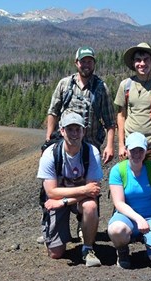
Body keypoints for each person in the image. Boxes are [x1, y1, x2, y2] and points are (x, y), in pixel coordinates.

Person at [37, 112, 104, 266]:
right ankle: (49, 230)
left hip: (63, 200)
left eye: (77, 129)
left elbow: (93, 191)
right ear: (62, 131)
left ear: (83, 131)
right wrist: (83, 191)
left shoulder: (91, 152)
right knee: (56, 253)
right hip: (56, 199)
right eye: (70, 129)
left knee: (91, 206)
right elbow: (51, 192)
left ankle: (87, 248)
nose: (74, 134)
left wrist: (64, 201)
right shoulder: (50, 154)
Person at [107, 131, 151, 269]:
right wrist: (138, 218)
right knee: (116, 230)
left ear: (146, 150)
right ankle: (122, 251)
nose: (137, 154)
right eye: (133, 150)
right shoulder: (118, 170)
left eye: (140, 150)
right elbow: (119, 202)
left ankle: (149, 246)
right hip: (128, 216)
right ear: (126, 150)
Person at [114, 43, 151, 185]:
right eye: (138, 60)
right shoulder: (126, 85)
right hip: (131, 145)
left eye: (146, 59)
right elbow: (121, 116)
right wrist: (121, 145)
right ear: (133, 63)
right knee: (128, 183)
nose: (142, 63)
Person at [45, 46, 115, 164]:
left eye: (89, 61)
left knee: (91, 181)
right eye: (83, 61)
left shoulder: (101, 88)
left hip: (90, 147)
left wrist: (110, 146)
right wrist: (48, 138)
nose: (86, 65)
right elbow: (53, 112)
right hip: (63, 145)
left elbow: (110, 122)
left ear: (94, 63)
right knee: (60, 180)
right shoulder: (65, 84)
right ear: (76, 63)